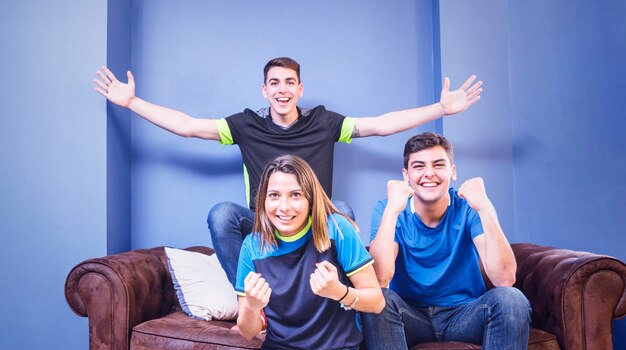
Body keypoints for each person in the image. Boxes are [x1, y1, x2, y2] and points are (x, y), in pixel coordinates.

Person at [93, 57, 483, 285]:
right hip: (263, 224)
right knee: (222, 214)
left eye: (290, 82)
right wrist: (131, 103)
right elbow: (188, 126)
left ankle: (327, 297)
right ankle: (249, 295)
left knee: (343, 210)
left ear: (299, 89)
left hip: (315, 224)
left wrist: (441, 109)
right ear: (265, 90)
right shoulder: (245, 124)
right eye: (274, 83)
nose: (282, 89)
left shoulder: (325, 122)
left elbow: (381, 124)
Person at [361, 132, 531, 350]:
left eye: (438, 165)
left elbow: (504, 279)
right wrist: (392, 209)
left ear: (452, 171)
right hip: (411, 317)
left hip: (463, 316)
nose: (429, 174)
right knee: (378, 299)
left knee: (512, 299)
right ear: (406, 175)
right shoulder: (389, 210)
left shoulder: (468, 208)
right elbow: (379, 279)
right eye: (419, 166)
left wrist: (486, 208)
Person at [234, 154, 385, 350]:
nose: (284, 206)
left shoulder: (337, 229)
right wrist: (251, 307)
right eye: (274, 195)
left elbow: (377, 301)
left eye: (295, 195)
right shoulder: (252, 247)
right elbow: (248, 331)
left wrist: (341, 292)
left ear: (310, 198)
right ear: (263, 200)